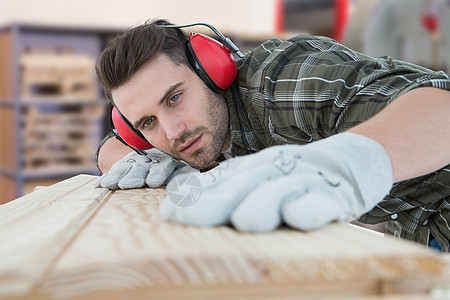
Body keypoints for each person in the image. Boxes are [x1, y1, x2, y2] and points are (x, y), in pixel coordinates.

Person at [95, 19, 450, 252]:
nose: (173, 132)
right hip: (416, 230)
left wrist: (347, 163)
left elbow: (442, 109)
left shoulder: (282, 83)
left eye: (174, 98)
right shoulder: (179, 134)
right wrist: (130, 158)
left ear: (211, 70)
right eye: (147, 123)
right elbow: (110, 147)